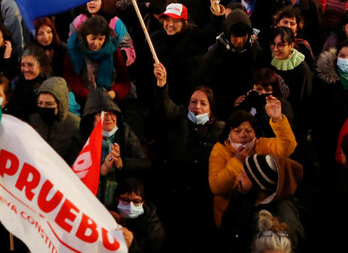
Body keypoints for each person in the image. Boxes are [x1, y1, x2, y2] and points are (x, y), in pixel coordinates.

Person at [150, 62, 224, 250]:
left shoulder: (219, 130)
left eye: (202, 103)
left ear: (211, 107)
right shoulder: (179, 115)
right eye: (193, 101)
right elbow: (165, 106)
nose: (196, 107)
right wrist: (162, 84)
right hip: (173, 194)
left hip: (201, 199)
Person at [208, 97, 297, 227]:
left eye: (248, 131)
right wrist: (237, 161)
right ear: (228, 133)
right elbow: (216, 187)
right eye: (237, 131)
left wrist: (277, 119)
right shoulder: (220, 149)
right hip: (228, 217)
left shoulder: (260, 145)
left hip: (258, 217)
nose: (243, 135)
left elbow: (287, 148)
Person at [28, 76, 81, 164]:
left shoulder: (75, 125)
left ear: (60, 104)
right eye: (40, 103)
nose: (43, 107)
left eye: (49, 104)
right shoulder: (33, 121)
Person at [112, 179, 166, 253]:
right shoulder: (109, 214)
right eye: (125, 200)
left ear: (143, 202)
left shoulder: (153, 227)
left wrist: (132, 244)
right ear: (117, 199)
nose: (131, 206)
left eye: (136, 201)